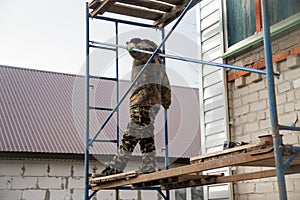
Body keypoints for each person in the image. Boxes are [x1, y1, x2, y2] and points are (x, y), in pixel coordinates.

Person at [101, 38, 171, 176]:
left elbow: (137, 52)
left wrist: (131, 46)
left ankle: (117, 166)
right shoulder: (158, 60)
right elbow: (165, 85)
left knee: (131, 134)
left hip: (141, 101)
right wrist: (166, 102)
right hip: (153, 103)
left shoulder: (145, 49)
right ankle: (148, 165)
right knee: (146, 134)